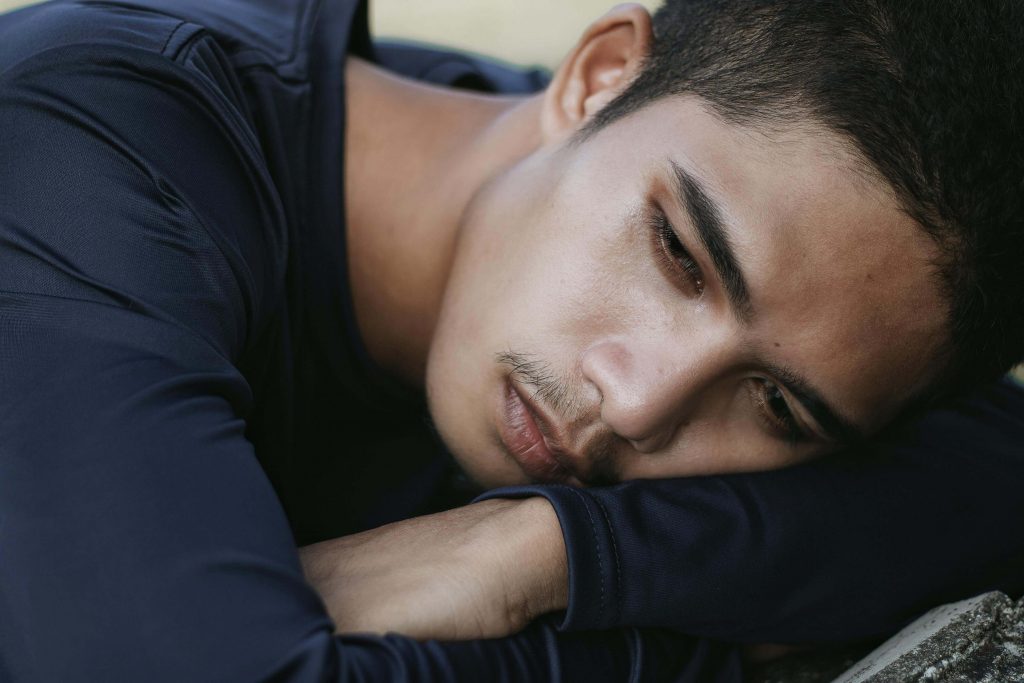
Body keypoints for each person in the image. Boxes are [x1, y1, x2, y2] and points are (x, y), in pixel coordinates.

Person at [0, 0, 1021, 680]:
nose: (638, 402)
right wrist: (689, 638)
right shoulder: (71, 158)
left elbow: (996, 472)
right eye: (677, 253)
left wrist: (552, 552)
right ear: (600, 76)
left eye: (777, 404)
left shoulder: (644, 155)